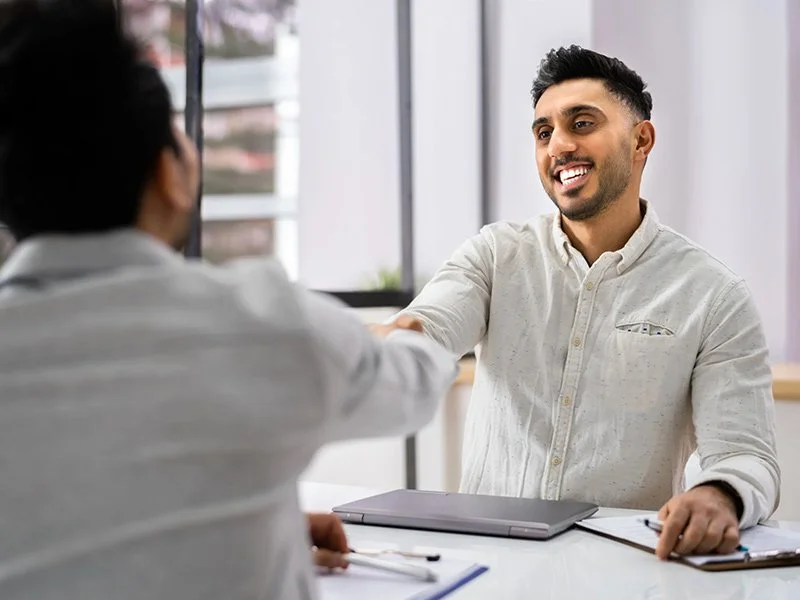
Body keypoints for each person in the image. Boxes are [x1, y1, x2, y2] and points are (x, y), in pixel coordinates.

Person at [0, 1, 457, 599]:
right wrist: (420, 330)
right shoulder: (266, 323)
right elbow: (417, 384)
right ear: (169, 172)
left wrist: (246, 525)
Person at [382, 45, 780, 559]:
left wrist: (716, 495)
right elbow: (426, 328)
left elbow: (746, 455)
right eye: (544, 132)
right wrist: (372, 346)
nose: (559, 146)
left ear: (642, 140)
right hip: (487, 569)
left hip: (628, 571)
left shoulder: (714, 295)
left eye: (583, 123)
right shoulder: (495, 255)